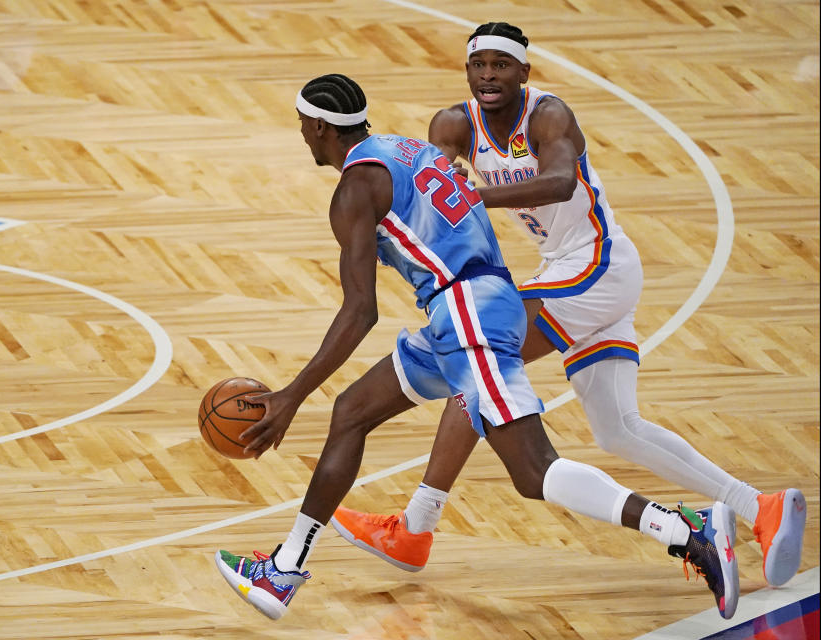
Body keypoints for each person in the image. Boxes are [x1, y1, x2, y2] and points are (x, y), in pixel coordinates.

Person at [214, 73, 739, 621]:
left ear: (319, 126)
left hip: (467, 315)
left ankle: (684, 529)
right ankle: (284, 570)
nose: (302, 134)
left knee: (535, 472)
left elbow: (359, 311)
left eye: (302, 126)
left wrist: (291, 396)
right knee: (351, 411)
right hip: (474, 305)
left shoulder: (353, 190)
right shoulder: (409, 150)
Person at [329, 22, 806, 591]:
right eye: (478, 65)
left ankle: (416, 525)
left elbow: (557, 182)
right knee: (618, 428)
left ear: (524, 73)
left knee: (476, 365)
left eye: (501, 66)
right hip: (568, 269)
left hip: (595, 265)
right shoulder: (453, 124)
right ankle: (761, 507)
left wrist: (475, 195)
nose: (488, 76)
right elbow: (439, 187)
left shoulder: (549, 116)